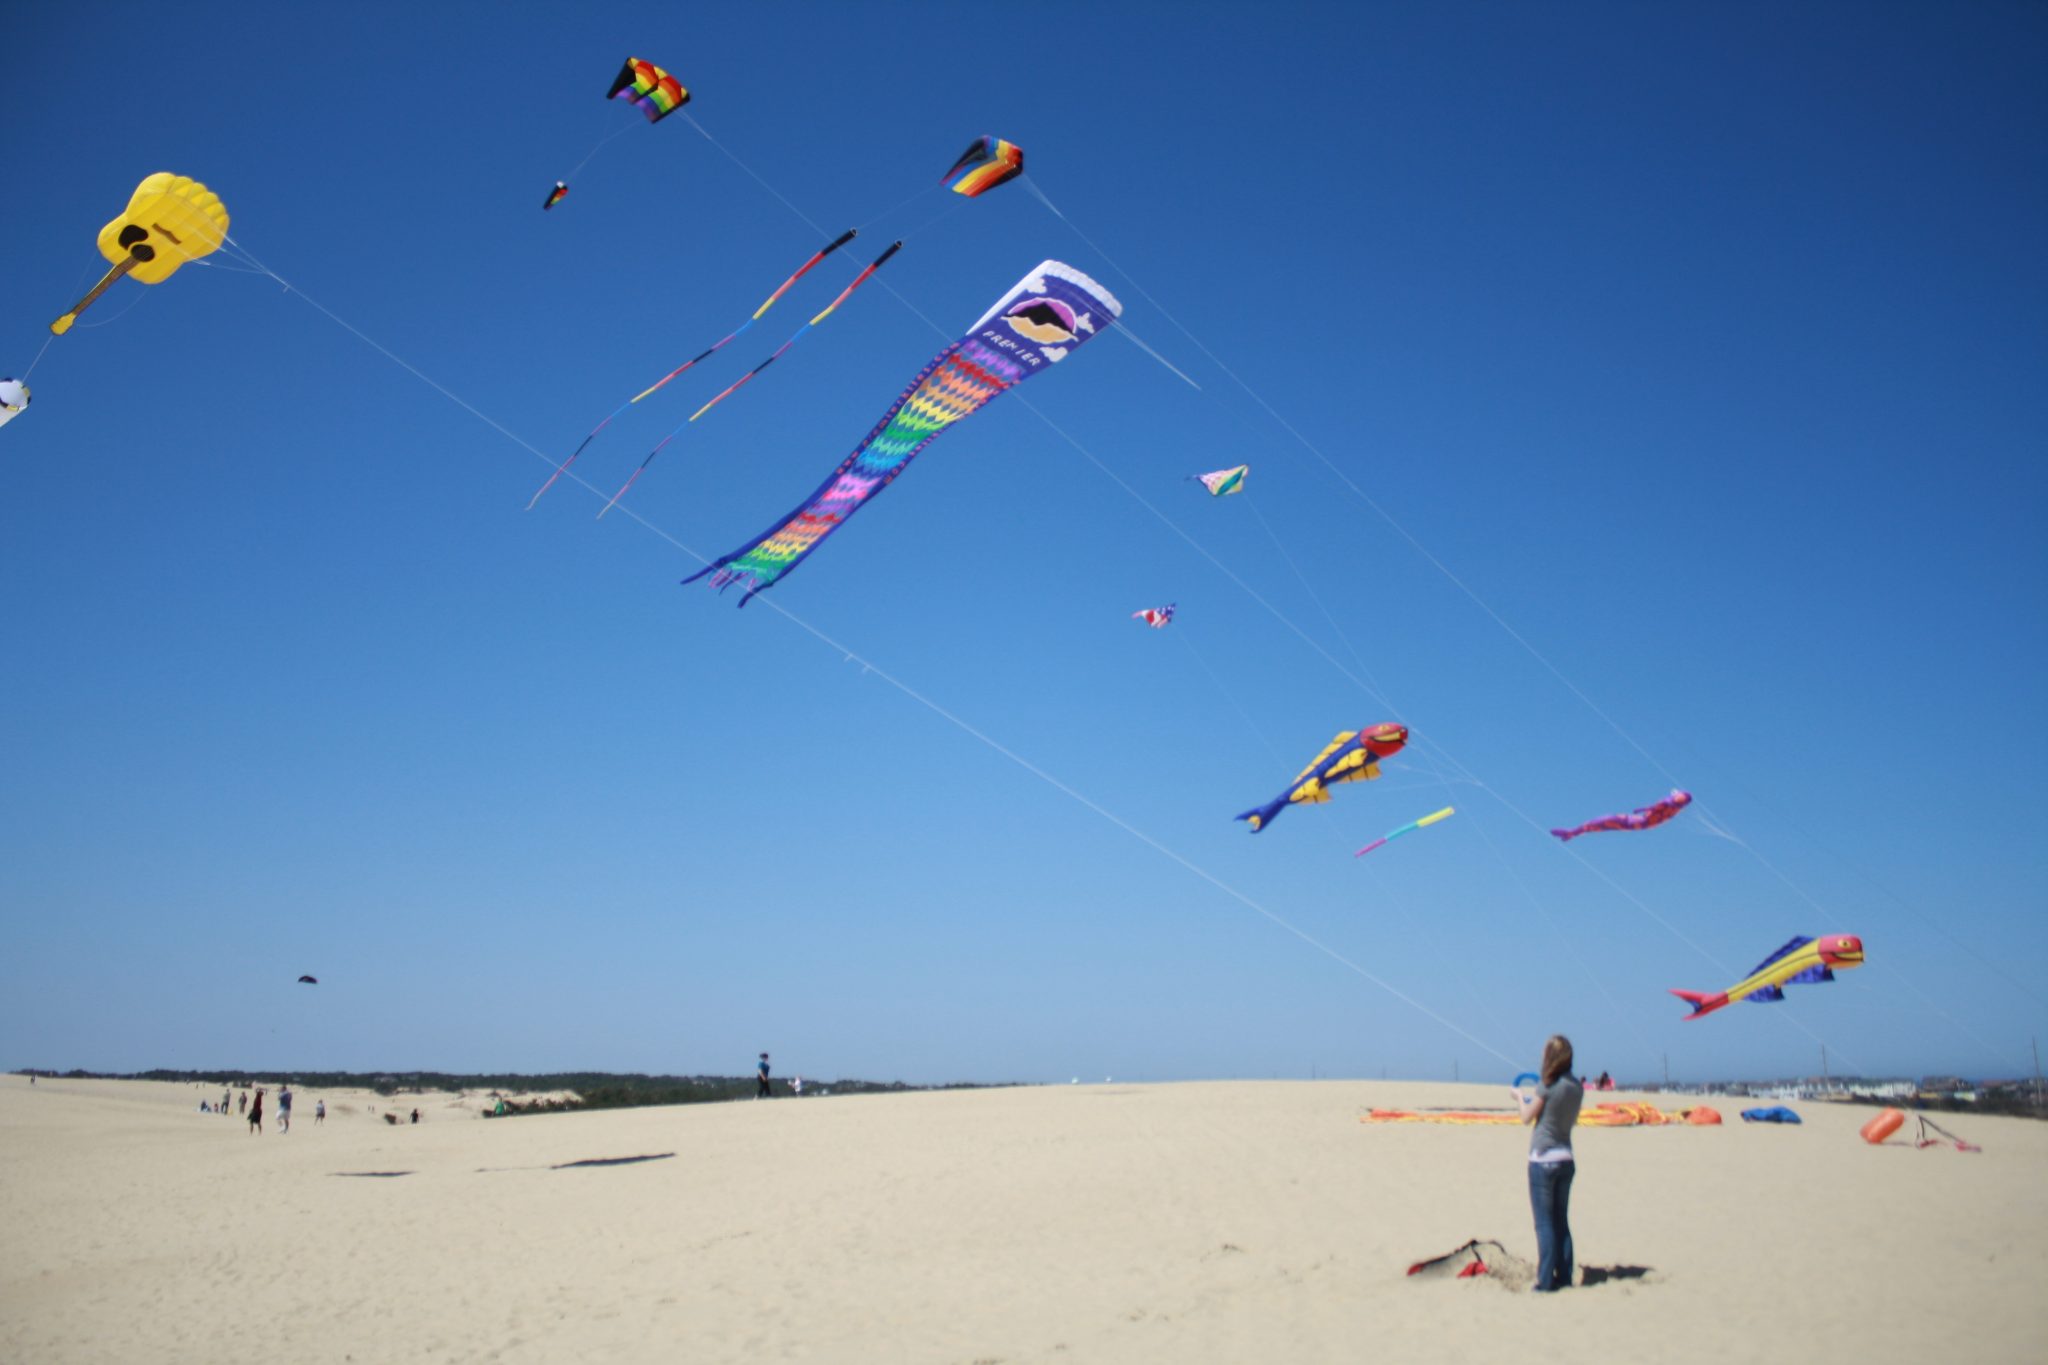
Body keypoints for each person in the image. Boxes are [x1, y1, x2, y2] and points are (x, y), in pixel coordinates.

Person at [1518, 1034, 1583, 1292]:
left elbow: (1526, 1117)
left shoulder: (1548, 1086)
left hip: (1543, 1160)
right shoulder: (1576, 1087)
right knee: (1560, 1221)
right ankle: (1564, 1276)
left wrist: (1519, 1098)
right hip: (1566, 1159)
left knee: (1544, 1223)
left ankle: (1545, 1281)